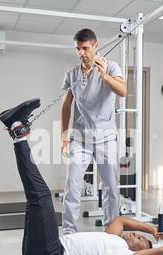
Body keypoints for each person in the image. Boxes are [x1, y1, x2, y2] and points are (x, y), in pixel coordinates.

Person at [0, 99, 163, 255]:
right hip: (48, 248)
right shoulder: (113, 237)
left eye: (142, 241)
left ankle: (19, 134)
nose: (138, 236)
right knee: (36, 202)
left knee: (41, 198)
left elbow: (162, 254)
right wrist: (151, 229)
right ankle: (16, 127)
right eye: (140, 236)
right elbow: (121, 220)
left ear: (141, 252)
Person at [61, 28, 126, 235]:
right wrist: (64, 137)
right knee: (72, 186)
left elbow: (123, 91)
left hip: (106, 137)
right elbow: (66, 105)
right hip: (80, 138)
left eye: (85, 48)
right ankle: (69, 234)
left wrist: (104, 75)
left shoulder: (112, 66)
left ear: (96, 46)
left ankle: (112, 232)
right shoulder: (72, 73)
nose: (81, 53)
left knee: (111, 187)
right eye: (78, 49)